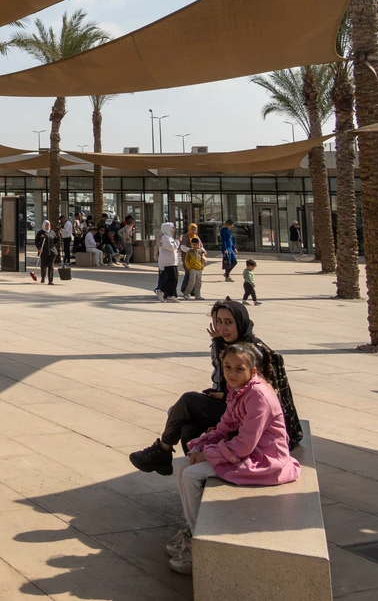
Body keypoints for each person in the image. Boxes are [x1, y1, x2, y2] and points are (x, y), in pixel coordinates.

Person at [166, 340, 301, 575]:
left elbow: (245, 444)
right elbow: (224, 426)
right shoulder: (238, 391)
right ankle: (192, 531)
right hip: (245, 452)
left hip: (266, 461)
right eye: (227, 367)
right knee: (182, 465)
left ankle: (200, 541)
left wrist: (208, 454)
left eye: (239, 369)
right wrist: (200, 445)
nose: (231, 373)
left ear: (253, 371)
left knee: (190, 475)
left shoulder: (258, 396)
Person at [129, 298, 302, 476]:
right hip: (234, 406)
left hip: (251, 417)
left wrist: (224, 388)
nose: (222, 328)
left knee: (188, 401)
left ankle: (163, 450)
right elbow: (226, 381)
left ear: (240, 322)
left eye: (228, 322)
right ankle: (194, 475)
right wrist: (219, 345)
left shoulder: (251, 351)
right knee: (188, 426)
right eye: (218, 321)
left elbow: (256, 392)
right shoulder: (232, 344)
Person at [155, 222, 181, 302]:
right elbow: (171, 247)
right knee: (172, 279)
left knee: (175, 278)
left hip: (172, 261)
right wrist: (178, 240)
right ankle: (161, 291)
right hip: (168, 261)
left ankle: (171, 295)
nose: (173, 230)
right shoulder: (165, 238)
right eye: (172, 228)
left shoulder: (169, 237)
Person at [36, 220, 59, 285]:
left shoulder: (52, 232)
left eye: (49, 225)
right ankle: (43, 277)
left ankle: (50, 280)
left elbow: (55, 241)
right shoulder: (41, 232)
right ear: (44, 225)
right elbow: (36, 241)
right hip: (43, 252)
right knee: (43, 266)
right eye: (46, 225)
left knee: (51, 266)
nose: (48, 226)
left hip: (52, 252)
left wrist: (59, 236)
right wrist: (39, 248)